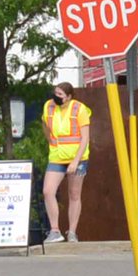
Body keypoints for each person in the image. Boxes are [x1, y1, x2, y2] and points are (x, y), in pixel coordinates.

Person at [41, 82, 91, 243]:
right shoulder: (48, 106)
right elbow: (44, 123)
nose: (56, 96)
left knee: (74, 194)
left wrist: (75, 161)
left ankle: (72, 232)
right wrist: (49, 139)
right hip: (56, 156)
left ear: (69, 97)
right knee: (48, 191)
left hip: (77, 158)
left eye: (60, 94)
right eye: (56, 92)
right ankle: (55, 230)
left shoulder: (79, 109)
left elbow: (85, 138)